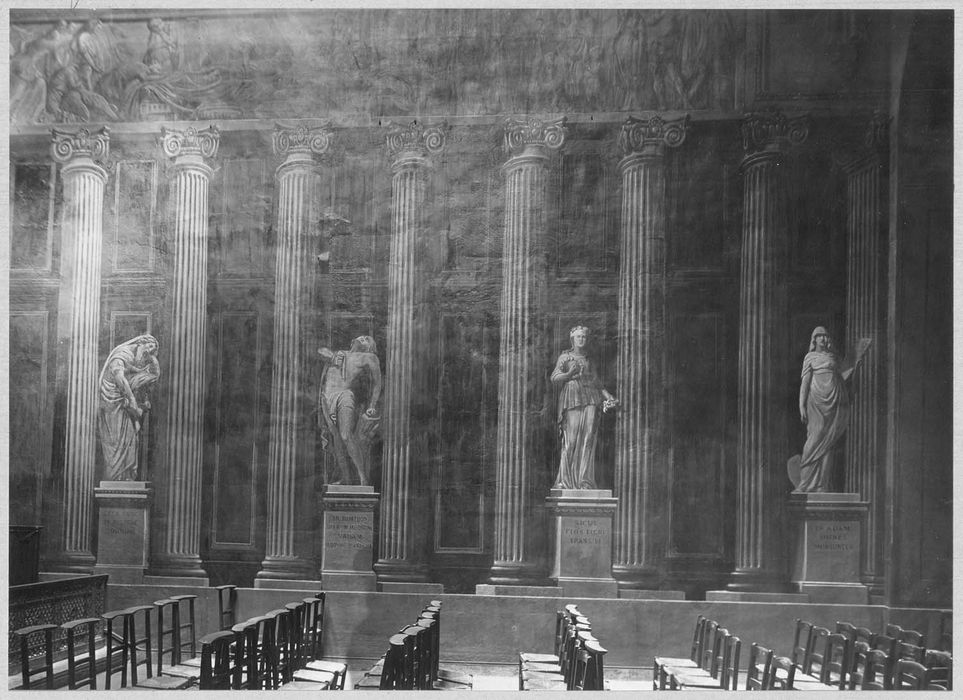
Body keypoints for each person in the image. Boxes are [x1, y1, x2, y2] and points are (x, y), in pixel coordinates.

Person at [790, 327, 867, 492]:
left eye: (826, 336)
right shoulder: (810, 357)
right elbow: (805, 383)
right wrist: (801, 405)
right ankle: (805, 483)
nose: (824, 340)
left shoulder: (833, 357)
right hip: (816, 403)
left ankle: (821, 485)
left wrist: (855, 367)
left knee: (828, 444)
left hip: (833, 402)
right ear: (814, 339)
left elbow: (842, 378)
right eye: (820, 337)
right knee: (814, 439)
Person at [550, 326, 619, 490]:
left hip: (591, 397)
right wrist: (568, 375)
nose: (582, 339)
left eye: (584, 337)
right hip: (573, 396)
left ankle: (585, 481)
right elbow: (554, 377)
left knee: (589, 439)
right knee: (571, 440)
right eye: (579, 336)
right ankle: (565, 481)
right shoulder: (565, 357)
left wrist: (609, 396)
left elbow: (596, 382)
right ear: (572, 339)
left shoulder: (588, 359)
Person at [318, 336, 382, 486]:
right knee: (336, 439)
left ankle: (362, 477)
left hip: (344, 395)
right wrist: (332, 355)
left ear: (369, 347)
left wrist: (372, 405)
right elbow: (320, 351)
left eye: (367, 339)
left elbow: (377, 383)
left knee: (346, 435)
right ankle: (345, 477)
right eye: (362, 337)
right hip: (326, 398)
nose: (363, 338)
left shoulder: (369, 357)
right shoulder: (340, 353)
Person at [98, 335, 160, 481]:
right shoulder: (122, 354)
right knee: (115, 440)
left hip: (123, 402)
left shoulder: (134, 358)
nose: (150, 351)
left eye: (153, 350)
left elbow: (135, 371)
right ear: (141, 343)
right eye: (150, 346)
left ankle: (127, 475)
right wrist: (132, 399)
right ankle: (115, 476)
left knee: (131, 437)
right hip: (111, 402)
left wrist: (138, 405)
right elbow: (119, 377)